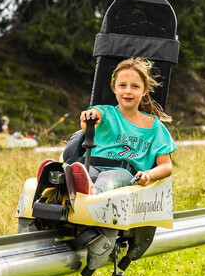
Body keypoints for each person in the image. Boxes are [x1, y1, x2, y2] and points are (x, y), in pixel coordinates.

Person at [64, 57, 176, 195]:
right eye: (122, 85)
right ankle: (58, 181)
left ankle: (92, 195)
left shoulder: (154, 126)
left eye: (135, 86)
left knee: (107, 179)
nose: (128, 91)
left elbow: (166, 166)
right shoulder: (104, 112)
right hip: (92, 165)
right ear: (114, 88)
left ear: (144, 90)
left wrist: (148, 174)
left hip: (123, 172)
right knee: (85, 173)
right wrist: (89, 117)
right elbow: (89, 121)